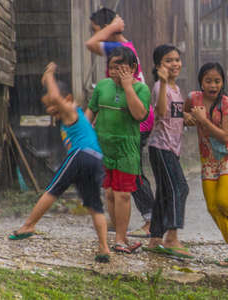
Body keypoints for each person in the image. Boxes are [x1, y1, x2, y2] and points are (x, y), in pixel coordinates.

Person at [9, 62, 110, 263]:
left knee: (53, 189)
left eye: (52, 104)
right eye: (46, 105)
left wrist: (48, 76)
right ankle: (104, 247)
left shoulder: (71, 110)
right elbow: (55, 98)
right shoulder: (71, 116)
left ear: (68, 99)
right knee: (94, 205)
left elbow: (56, 96)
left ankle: (29, 224)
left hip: (81, 154)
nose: (49, 108)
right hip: (96, 159)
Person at [86, 7, 155, 236]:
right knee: (116, 181)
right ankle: (120, 223)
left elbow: (90, 44)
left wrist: (110, 28)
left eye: (98, 29)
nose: (97, 33)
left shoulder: (121, 48)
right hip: (117, 120)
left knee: (131, 174)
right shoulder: (121, 50)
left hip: (134, 119)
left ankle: (150, 219)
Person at [187, 62, 228, 265]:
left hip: (227, 156)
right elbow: (181, 111)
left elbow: (225, 136)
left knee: (223, 201)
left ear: (222, 82)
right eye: (208, 81)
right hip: (207, 159)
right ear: (201, 82)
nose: (213, 85)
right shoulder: (193, 98)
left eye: (217, 81)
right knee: (212, 207)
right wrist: (187, 117)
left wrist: (203, 121)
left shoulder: (226, 103)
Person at [143, 44, 194, 258]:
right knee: (179, 188)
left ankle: (155, 239)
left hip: (172, 149)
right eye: (168, 60)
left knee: (165, 192)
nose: (175, 64)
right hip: (161, 147)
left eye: (177, 60)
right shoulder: (159, 86)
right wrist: (163, 82)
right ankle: (171, 238)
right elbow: (161, 113)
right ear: (158, 66)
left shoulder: (177, 89)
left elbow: (175, 115)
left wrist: (186, 118)